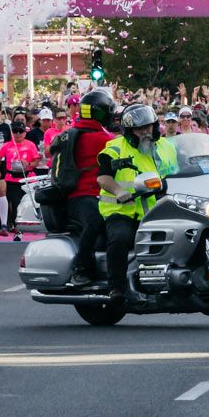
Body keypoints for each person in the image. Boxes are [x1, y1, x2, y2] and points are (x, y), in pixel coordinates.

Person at [96, 104, 165, 301]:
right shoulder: (115, 148)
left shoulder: (162, 148)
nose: (145, 131)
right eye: (139, 128)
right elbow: (103, 179)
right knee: (120, 238)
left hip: (154, 210)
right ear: (129, 131)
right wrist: (119, 191)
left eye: (148, 126)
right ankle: (116, 288)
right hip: (121, 210)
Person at [58, 89, 119, 286]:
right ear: (101, 112)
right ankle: (81, 267)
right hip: (84, 195)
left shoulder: (71, 133)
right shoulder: (103, 139)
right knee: (94, 220)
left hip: (92, 195)